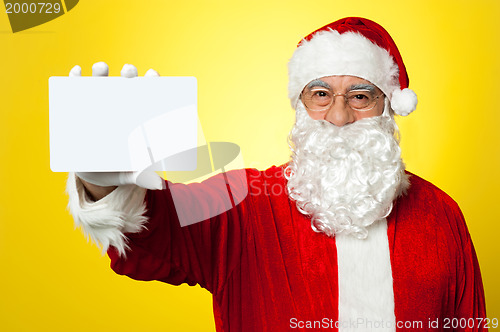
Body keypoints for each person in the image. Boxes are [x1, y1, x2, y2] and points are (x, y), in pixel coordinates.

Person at [66, 17, 487, 331]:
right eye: (320, 94)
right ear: (300, 105)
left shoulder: (440, 216)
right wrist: (105, 179)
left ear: (389, 107)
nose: (339, 116)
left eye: (361, 96)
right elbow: (155, 233)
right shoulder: (245, 202)